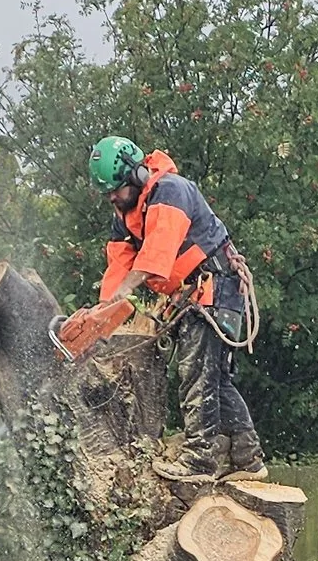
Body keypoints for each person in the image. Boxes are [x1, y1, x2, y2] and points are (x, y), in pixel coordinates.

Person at [87, 134, 264, 476]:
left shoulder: (170, 191)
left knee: (196, 374)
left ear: (137, 175)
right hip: (191, 294)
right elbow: (118, 266)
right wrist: (102, 313)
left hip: (214, 286)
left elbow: (156, 259)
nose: (112, 197)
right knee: (214, 378)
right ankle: (247, 457)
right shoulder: (124, 213)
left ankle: (200, 458)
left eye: (117, 189)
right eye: (107, 192)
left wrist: (123, 294)